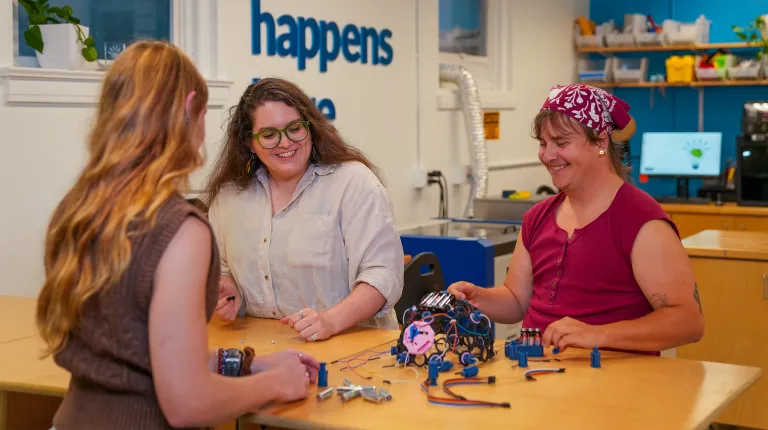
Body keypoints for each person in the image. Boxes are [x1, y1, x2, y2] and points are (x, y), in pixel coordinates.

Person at [36, 41, 319, 430]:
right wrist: (276, 382)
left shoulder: (76, 211)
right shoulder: (181, 229)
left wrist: (248, 363)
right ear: (189, 109)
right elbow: (187, 404)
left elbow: (137, 354)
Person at [448, 84, 705, 355]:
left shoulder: (642, 222)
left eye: (561, 143)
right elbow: (515, 300)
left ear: (601, 142)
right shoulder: (537, 217)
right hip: (536, 377)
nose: (548, 156)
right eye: (543, 143)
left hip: (613, 386)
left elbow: (688, 322)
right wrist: (479, 298)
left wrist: (596, 335)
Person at [203, 78, 404, 341]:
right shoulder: (229, 197)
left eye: (295, 128)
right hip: (264, 347)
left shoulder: (353, 183)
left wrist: (329, 321)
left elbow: (383, 274)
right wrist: (227, 291)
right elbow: (223, 268)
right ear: (249, 143)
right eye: (269, 135)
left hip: (353, 347)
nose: (285, 143)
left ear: (311, 128)